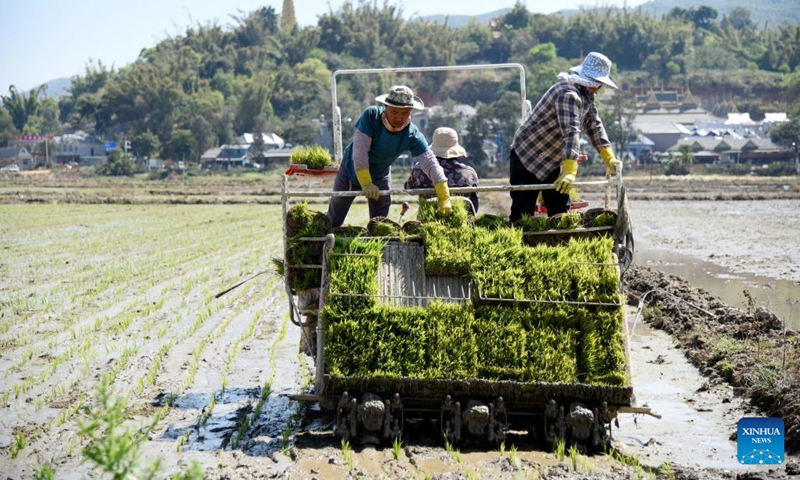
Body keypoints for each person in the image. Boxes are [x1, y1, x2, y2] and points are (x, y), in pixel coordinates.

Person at [508, 51, 622, 221]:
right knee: (522, 212)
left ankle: (559, 243)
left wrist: (609, 157)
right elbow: (571, 132)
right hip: (528, 155)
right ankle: (521, 243)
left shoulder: (586, 97)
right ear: (595, 83)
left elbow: (595, 126)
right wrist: (570, 169)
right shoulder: (568, 94)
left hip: (552, 158)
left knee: (560, 210)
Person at [327, 85, 452, 227]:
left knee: (380, 222)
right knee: (335, 216)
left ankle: (377, 245)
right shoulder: (371, 116)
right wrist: (367, 183)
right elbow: (360, 152)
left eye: (404, 113)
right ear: (385, 107)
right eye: (394, 112)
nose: (399, 117)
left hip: (380, 173)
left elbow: (430, 163)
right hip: (351, 170)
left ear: (411, 112)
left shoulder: (412, 134)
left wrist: (444, 196)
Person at [404, 127, 480, 214]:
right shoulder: (469, 173)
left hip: (427, 220)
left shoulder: (420, 169)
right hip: (463, 221)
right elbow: (475, 204)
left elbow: (409, 189)